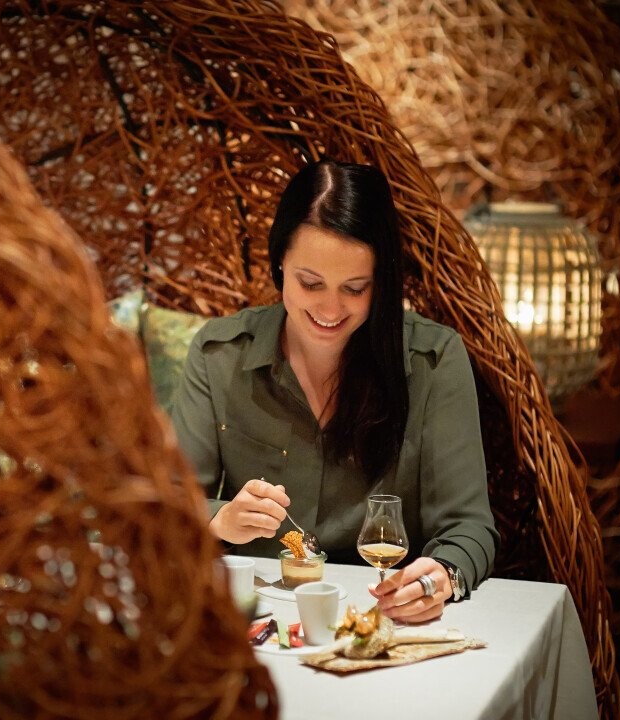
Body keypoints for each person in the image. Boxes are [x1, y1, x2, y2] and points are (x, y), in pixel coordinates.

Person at [169, 159, 499, 622]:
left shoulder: (433, 361)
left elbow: (469, 527)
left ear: (380, 283)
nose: (329, 308)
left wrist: (440, 577)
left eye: (354, 288)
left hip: (382, 618)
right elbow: (167, 504)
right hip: (256, 619)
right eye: (310, 283)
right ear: (280, 261)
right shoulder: (219, 354)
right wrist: (219, 521)